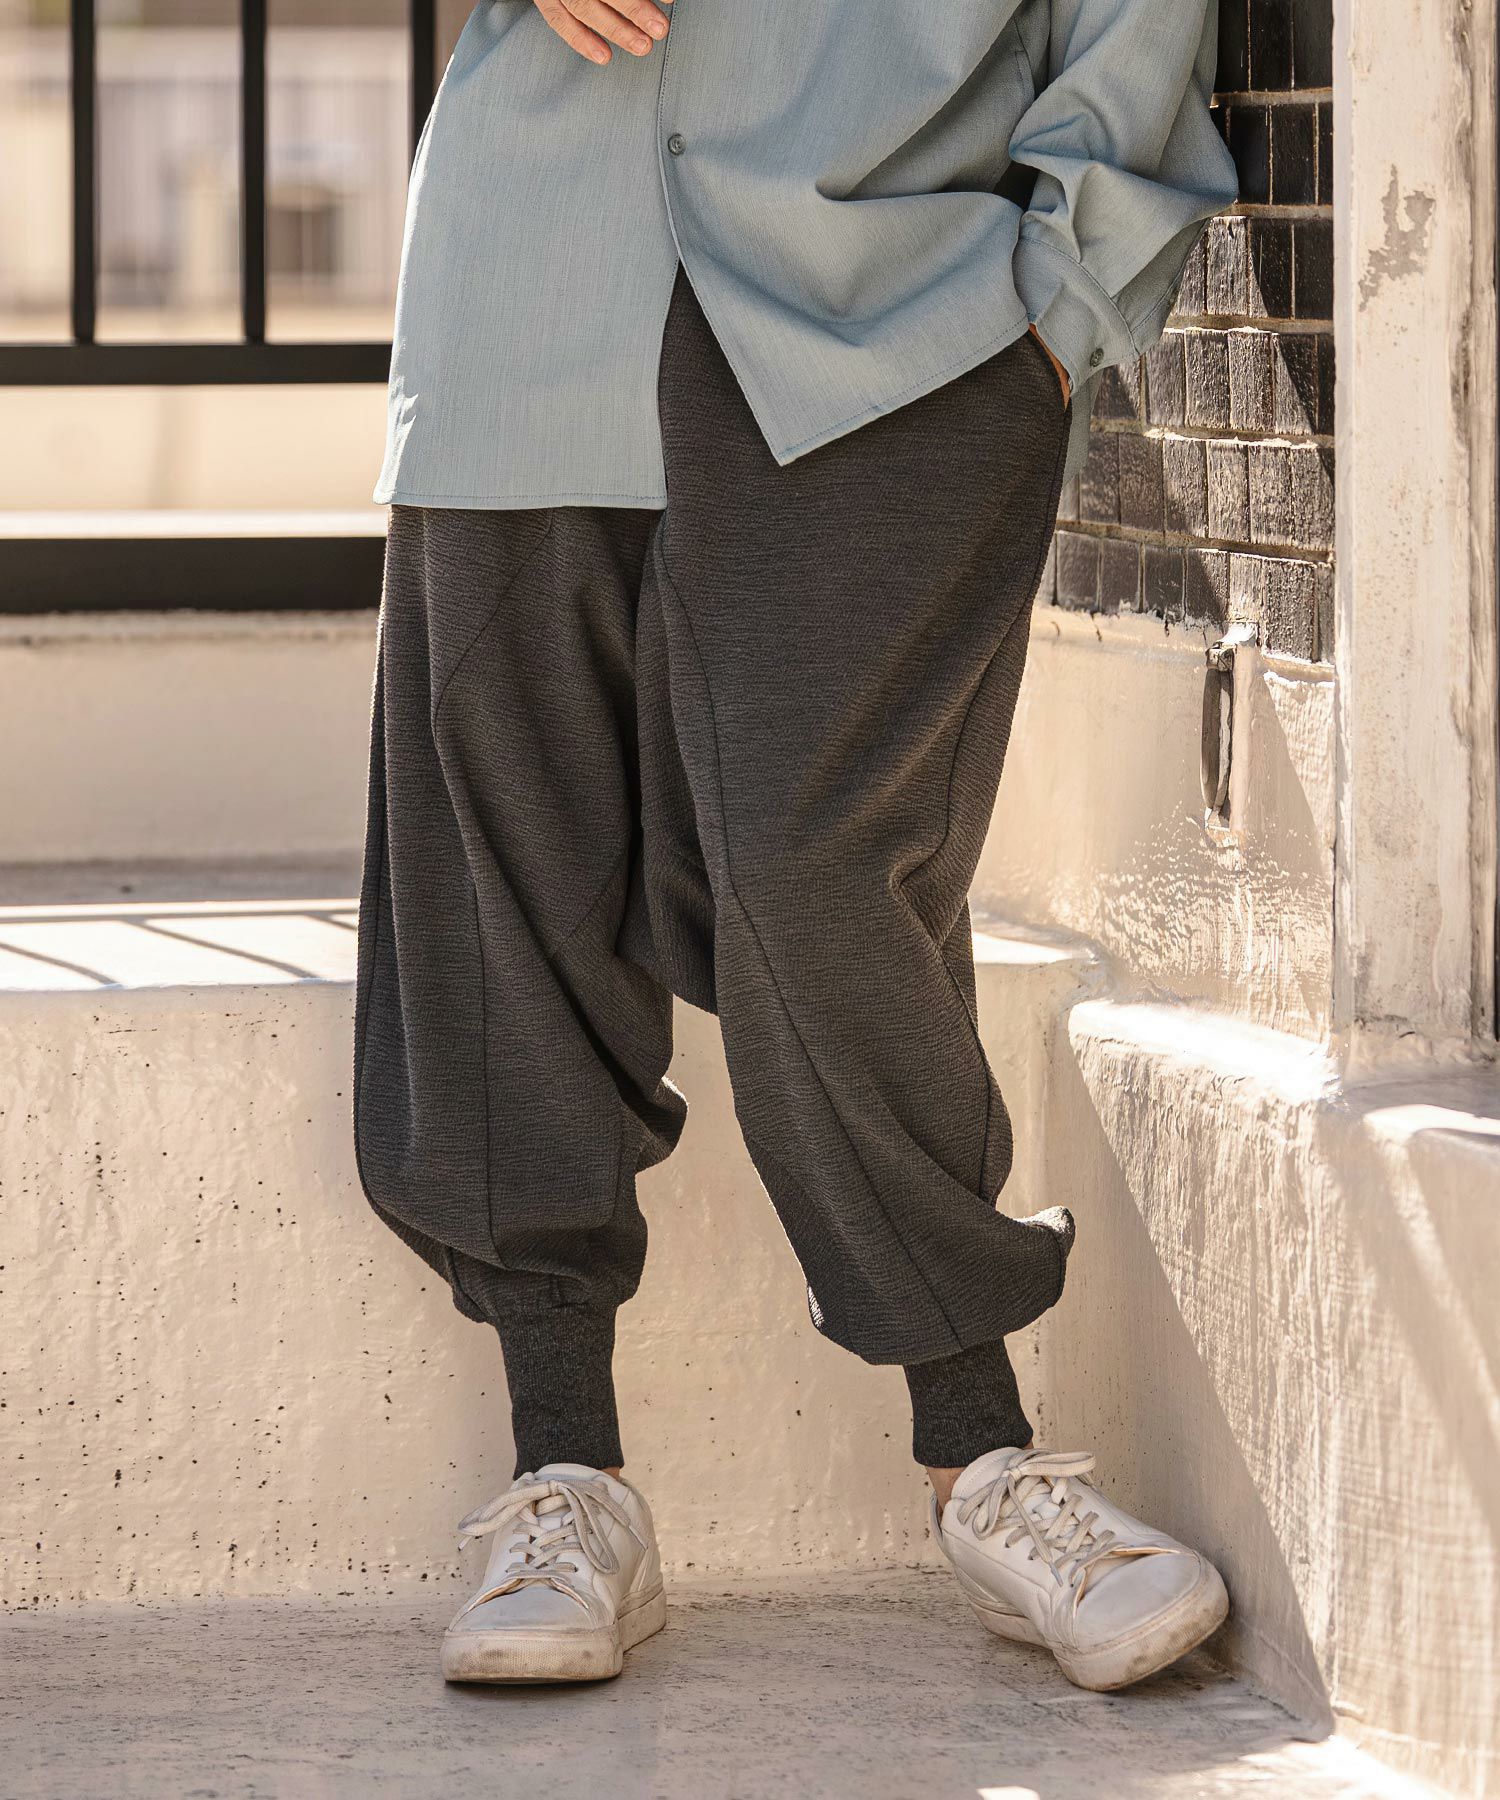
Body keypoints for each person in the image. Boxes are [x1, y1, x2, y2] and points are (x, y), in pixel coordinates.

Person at [356, 0, 1239, 1693]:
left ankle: (982, 1455)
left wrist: (1064, 304)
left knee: (823, 871)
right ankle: (562, 1475)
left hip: (903, 305)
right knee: (506, 868)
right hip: (534, 271)